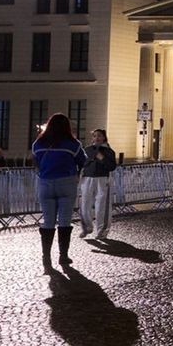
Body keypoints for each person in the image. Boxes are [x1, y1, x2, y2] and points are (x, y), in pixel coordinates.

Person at [33, 113, 86, 269]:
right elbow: (82, 161)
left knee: (48, 221)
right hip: (66, 183)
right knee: (64, 220)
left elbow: (36, 162)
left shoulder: (39, 143)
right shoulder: (73, 143)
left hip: (45, 183)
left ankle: (46, 257)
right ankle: (63, 256)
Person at [79, 128, 117, 240]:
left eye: (99, 136)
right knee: (85, 204)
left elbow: (111, 166)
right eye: (95, 136)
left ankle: (102, 231)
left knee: (102, 206)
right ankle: (87, 228)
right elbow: (82, 163)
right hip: (87, 178)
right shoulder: (87, 150)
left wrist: (101, 158)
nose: (97, 138)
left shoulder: (109, 151)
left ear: (104, 138)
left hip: (102, 179)